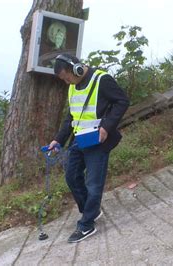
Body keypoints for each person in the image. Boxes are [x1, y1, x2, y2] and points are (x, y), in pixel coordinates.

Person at [48, 53, 129, 243]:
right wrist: (58, 140)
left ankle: (86, 224)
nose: (67, 82)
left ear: (75, 68)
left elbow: (122, 101)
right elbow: (71, 117)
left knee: (93, 183)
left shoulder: (102, 80)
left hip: (97, 140)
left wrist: (107, 127)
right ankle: (91, 210)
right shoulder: (73, 88)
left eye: (67, 78)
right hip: (78, 139)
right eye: (64, 80)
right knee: (71, 176)